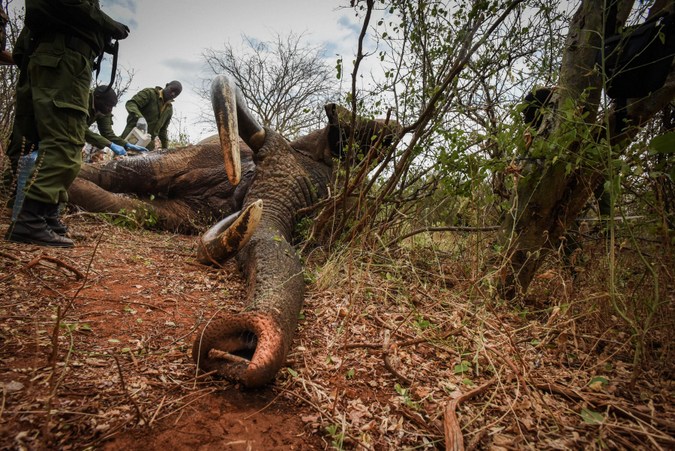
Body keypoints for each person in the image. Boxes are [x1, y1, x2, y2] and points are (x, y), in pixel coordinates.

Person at [4, 0, 130, 247]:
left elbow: (104, 130)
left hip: (53, 57)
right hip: (64, 60)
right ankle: (29, 220)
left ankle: (45, 214)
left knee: (47, 143)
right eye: (105, 108)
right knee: (66, 144)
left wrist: (120, 143)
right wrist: (107, 24)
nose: (105, 112)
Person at [85, 85, 148, 158]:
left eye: (112, 107)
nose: (110, 110)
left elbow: (107, 133)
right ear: (97, 97)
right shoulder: (83, 100)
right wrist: (110, 144)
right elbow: (80, 128)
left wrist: (125, 144)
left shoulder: (104, 109)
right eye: (108, 106)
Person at [122, 81, 182, 151]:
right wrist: (140, 117)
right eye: (172, 90)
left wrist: (165, 148)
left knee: (145, 162)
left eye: (176, 94)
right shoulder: (149, 93)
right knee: (122, 160)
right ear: (166, 85)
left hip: (147, 146)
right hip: (132, 136)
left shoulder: (169, 109)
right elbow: (131, 104)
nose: (173, 94)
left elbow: (163, 130)